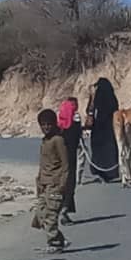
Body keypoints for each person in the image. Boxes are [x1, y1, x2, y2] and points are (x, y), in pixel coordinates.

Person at [34, 109, 70, 252]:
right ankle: (60, 239)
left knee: (51, 214)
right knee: (40, 213)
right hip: (44, 184)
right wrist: (38, 181)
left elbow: (65, 164)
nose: (46, 127)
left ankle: (54, 242)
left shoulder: (58, 140)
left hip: (56, 185)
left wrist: (63, 184)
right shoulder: (45, 141)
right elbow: (43, 163)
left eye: (49, 124)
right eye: (43, 125)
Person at [87, 77, 120, 183]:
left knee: (99, 150)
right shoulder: (112, 98)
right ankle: (111, 172)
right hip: (110, 128)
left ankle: (100, 171)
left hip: (98, 128)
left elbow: (90, 110)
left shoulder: (97, 98)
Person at [57, 97, 82, 225]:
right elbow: (78, 132)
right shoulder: (75, 117)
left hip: (60, 157)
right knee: (70, 182)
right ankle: (65, 210)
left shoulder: (60, 118)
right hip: (71, 155)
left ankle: (61, 210)